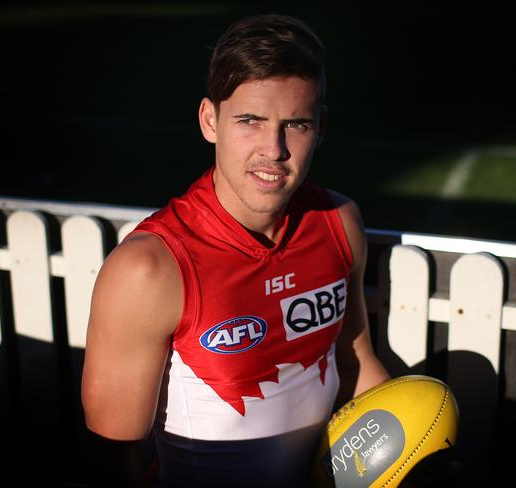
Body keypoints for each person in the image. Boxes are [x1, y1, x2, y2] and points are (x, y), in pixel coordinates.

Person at [81, 13, 390, 488]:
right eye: (250, 121)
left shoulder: (338, 221)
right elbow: (112, 462)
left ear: (321, 127)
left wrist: (411, 447)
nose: (274, 149)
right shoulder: (149, 268)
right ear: (210, 120)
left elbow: (356, 360)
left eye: (296, 124)